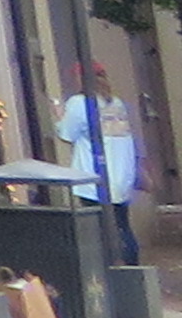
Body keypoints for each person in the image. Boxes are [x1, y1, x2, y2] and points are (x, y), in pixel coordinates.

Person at [53, 58, 146, 269]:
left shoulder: (80, 103)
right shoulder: (116, 104)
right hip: (121, 176)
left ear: (81, 78)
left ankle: (111, 271)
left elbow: (67, 134)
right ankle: (132, 271)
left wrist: (59, 116)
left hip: (93, 179)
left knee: (99, 232)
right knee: (122, 226)